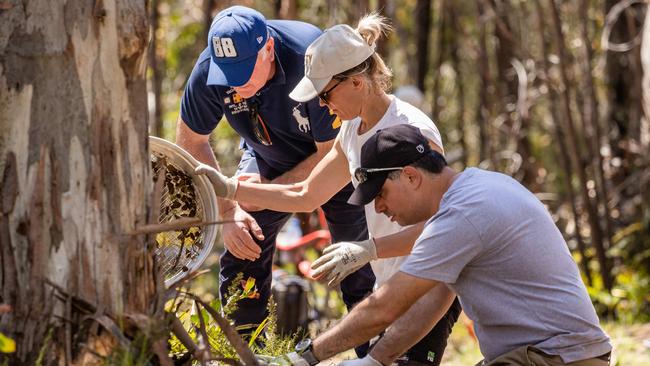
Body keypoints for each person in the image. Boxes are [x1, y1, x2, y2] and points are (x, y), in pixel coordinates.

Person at [196, 14, 462, 366]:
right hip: (389, 289)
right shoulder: (350, 133)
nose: (321, 106)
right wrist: (231, 189)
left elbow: (446, 228)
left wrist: (368, 249)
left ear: (357, 82)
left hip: (429, 287)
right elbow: (306, 193)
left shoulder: (412, 131)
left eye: (325, 94)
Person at [259, 124, 613, 366]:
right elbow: (432, 301)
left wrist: (304, 357)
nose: (379, 207)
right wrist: (376, 359)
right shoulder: (476, 189)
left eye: (381, 194)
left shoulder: (463, 214)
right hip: (549, 355)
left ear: (411, 177)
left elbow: (385, 307)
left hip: (556, 357)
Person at [175, 5, 376, 347]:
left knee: (353, 259)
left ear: (268, 47)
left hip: (337, 158)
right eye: (228, 74)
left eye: (244, 70)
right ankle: (248, 351)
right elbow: (190, 141)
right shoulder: (211, 68)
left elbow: (330, 155)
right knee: (243, 244)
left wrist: (268, 191)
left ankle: (374, 350)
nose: (236, 83)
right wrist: (228, 210)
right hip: (267, 154)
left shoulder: (308, 56)